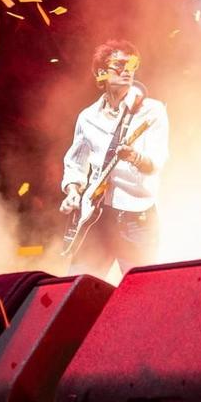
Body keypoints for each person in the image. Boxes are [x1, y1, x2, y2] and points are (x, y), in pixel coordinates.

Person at [59, 39, 169, 277]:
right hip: (97, 219)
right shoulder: (87, 117)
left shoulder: (152, 111)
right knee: (76, 289)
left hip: (136, 220)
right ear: (101, 72)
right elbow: (75, 163)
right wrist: (73, 192)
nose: (127, 70)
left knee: (142, 296)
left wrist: (135, 157)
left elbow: (156, 163)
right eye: (119, 65)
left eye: (132, 64)